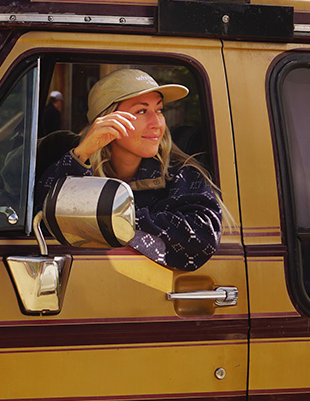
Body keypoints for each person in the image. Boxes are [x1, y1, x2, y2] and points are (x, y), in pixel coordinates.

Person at [36, 69, 224, 271]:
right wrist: (82, 154)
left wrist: (120, 219)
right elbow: (40, 217)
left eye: (159, 110)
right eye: (141, 111)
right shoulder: (76, 166)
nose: (157, 124)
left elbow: (203, 237)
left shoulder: (180, 173)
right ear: (107, 119)